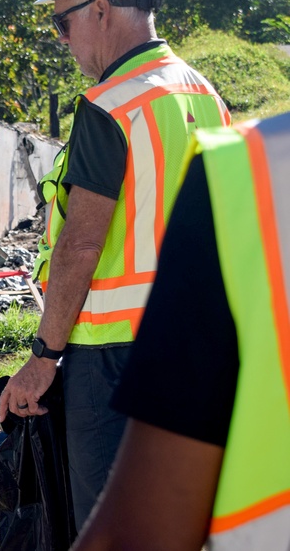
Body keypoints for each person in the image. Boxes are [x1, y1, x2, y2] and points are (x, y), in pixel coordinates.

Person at [0, 0, 231, 530]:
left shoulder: (109, 105)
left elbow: (80, 243)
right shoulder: (203, 94)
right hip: (195, 339)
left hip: (113, 355)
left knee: (111, 522)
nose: (63, 41)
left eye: (61, 24)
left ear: (99, 9)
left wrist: (43, 355)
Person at [72, 113, 290, 551]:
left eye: (64, 35)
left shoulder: (254, 169)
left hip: (105, 336)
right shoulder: (205, 98)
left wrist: (43, 353)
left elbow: (139, 535)